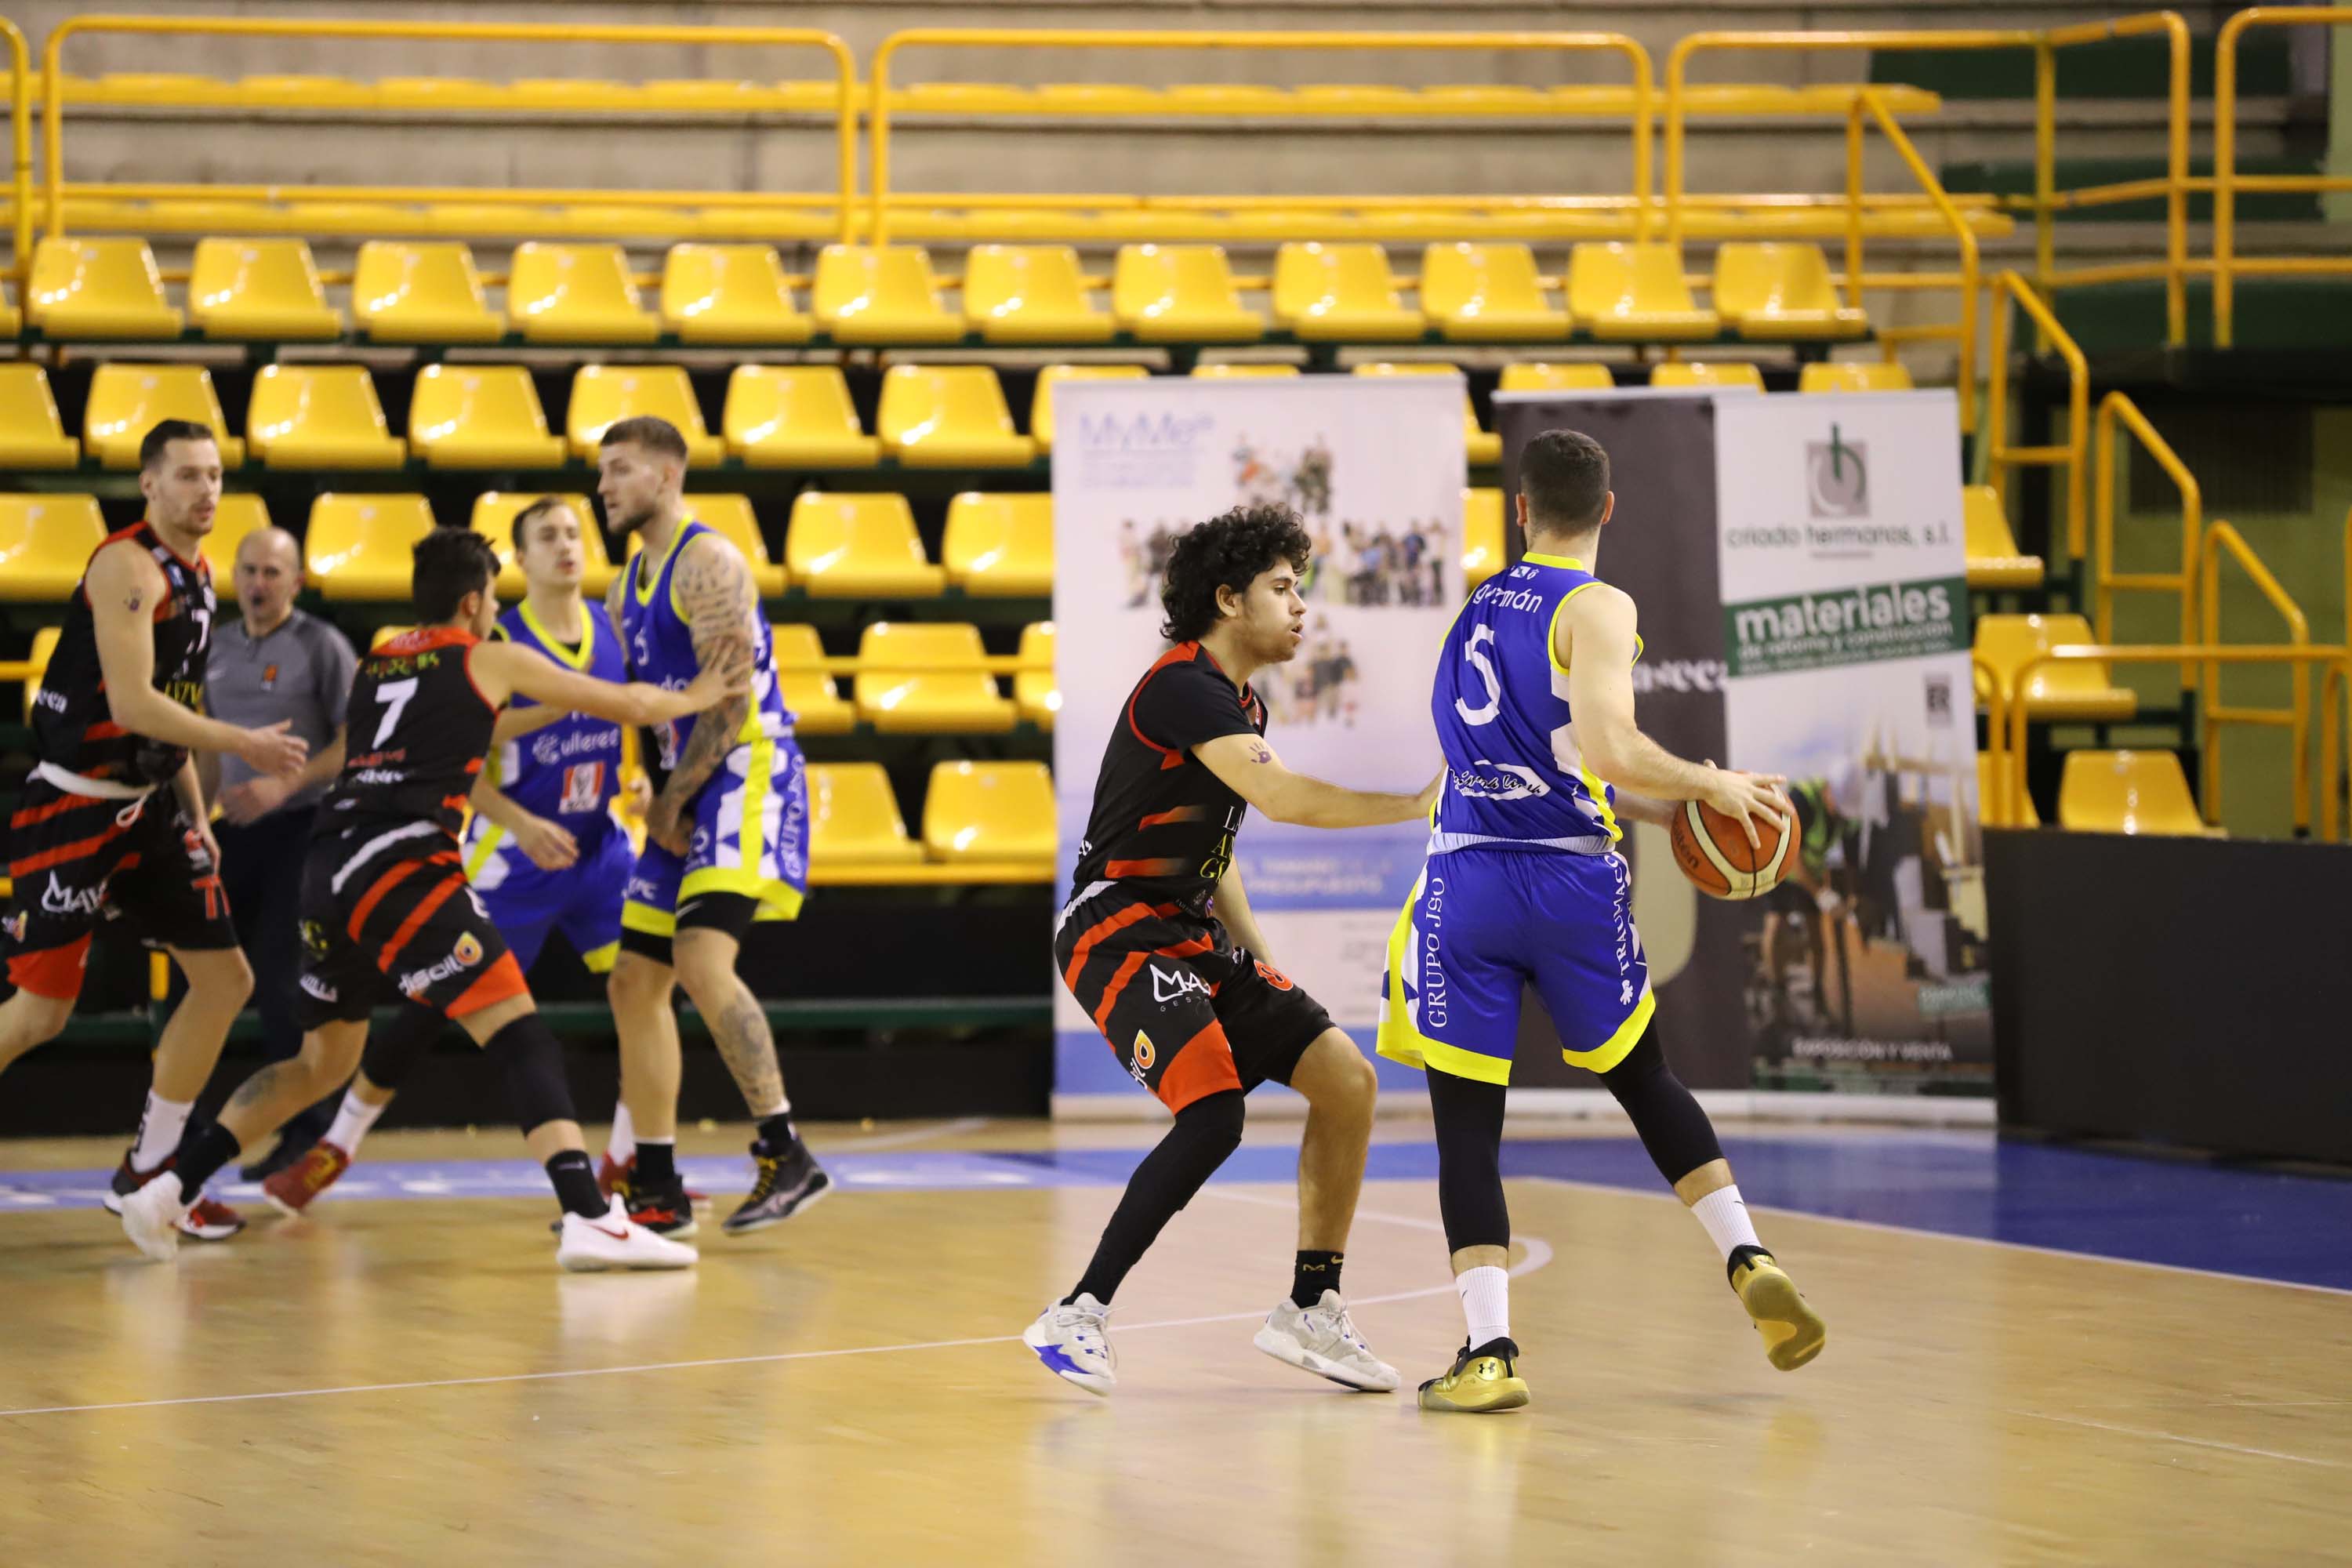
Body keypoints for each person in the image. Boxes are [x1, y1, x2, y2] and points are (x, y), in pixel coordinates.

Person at [118, 528, 746, 1269]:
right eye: (492, 603)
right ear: (474, 602)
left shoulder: (381, 658)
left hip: (328, 868)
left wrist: (540, 710)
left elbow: (466, 724)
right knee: (520, 1034)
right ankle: (588, 1217)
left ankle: (166, 1189)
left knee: (319, 1063)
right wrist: (707, 691)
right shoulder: (489, 655)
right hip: (404, 863)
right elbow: (634, 702)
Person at [1377, 428, 1826, 1414]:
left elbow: (1550, 759)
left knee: (1466, 1127)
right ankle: (1746, 1254)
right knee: (1644, 1077)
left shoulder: (1472, 616)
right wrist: (1712, 783)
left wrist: (1674, 810)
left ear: (1520, 509)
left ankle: (1489, 1350)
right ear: (1608, 509)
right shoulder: (1599, 603)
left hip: (1466, 882)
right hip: (1570, 884)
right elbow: (1611, 746)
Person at [1022, 503, 1438, 1399]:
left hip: (1186, 927)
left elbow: (1220, 853)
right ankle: (1078, 1310)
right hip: (1113, 923)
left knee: (1346, 1077)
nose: (1301, 607)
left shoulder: (1239, 700)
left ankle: (1310, 1307)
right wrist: (1416, 803)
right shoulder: (1181, 685)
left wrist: (1260, 960)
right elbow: (1282, 798)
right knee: (1214, 1112)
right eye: (1283, 588)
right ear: (1227, 598)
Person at [258, 501, 658, 1220]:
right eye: (546, 537)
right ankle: (338, 1146)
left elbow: (628, 720)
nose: (565, 546)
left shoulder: (609, 627)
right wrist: (519, 820)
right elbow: (445, 763)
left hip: (597, 846)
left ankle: (630, 1163)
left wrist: (643, 781)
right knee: (431, 1007)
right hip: (514, 849)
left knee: (647, 991)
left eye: (573, 532)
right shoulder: (495, 641)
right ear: (520, 566)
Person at [0, 419, 308, 1241]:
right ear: (149, 484)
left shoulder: (202, 572)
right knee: (37, 1016)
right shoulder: (126, 566)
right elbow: (134, 702)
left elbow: (170, 714)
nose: (206, 490)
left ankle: (150, 1171)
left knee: (226, 979)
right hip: (72, 807)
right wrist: (244, 745)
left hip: (145, 807)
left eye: (214, 475)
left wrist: (197, 816)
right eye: (187, 476)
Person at [599, 416, 829, 1236]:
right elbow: (654, 710)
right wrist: (658, 794)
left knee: (700, 956)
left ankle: (785, 1147)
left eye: (619, 470)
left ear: (666, 475)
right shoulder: (626, 583)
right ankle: (655, 1181)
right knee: (634, 978)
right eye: (602, 473)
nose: (605, 487)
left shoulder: (709, 563)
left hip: (746, 766)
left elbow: (729, 704)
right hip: (683, 780)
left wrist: (674, 798)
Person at [196, 524, 358, 1178]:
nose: (260, 584)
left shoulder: (321, 646)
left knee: (280, 976)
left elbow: (356, 740)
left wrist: (285, 783)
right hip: (230, 830)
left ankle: (307, 1133)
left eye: (273, 573)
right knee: (212, 974)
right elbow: (205, 747)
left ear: (297, 581)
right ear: (233, 577)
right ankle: (200, 1128)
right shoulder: (218, 647)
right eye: (250, 571)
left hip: (302, 827)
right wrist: (197, 821)